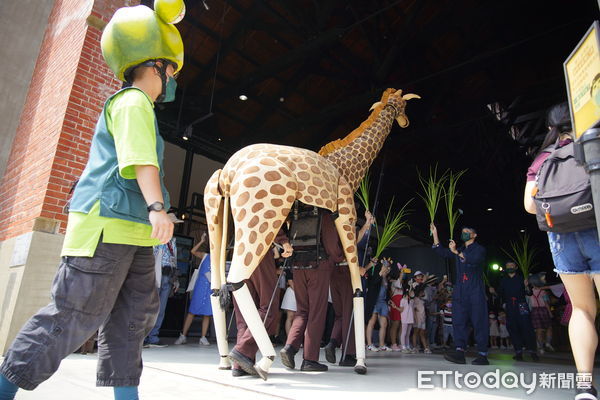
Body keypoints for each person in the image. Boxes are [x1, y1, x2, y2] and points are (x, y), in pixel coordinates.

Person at [0, 3, 185, 399]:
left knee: (131, 324)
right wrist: (157, 208)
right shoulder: (133, 101)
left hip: (134, 235)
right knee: (72, 316)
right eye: (171, 70)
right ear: (154, 66)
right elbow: (140, 162)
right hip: (107, 226)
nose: (172, 80)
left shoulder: (142, 105)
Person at [523, 102, 600, 400]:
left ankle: (584, 386)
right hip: (595, 228)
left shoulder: (543, 159)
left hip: (561, 239)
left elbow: (530, 206)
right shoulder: (591, 143)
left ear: (550, 128)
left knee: (582, 309)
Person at [280, 211, 343, 372]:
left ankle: (290, 347)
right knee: (316, 313)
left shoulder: (297, 213)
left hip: (298, 267)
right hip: (318, 266)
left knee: (302, 311)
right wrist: (337, 258)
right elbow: (331, 244)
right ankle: (309, 359)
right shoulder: (324, 214)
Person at [229, 229, 293, 377]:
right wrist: (283, 240)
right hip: (259, 248)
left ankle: (240, 365)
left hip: (240, 251)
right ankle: (242, 350)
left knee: (245, 311)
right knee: (269, 306)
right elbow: (267, 214)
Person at [430, 223, 489, 365]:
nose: (464, 233)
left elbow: (474, 260)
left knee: (479, 321)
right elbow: (442, 252)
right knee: (459, 321)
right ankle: (459, 351)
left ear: (474, 235)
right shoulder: (460, 248)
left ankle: (482, 354)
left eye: (467, 231)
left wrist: (456, 252)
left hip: (475, 290)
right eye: (463, 231)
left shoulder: (479, 249)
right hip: (460, 290)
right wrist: (435, 234)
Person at [325, 210, 375, 366]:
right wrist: (358, 267)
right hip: (347, 272)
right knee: (350, 315)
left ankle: (332, 343)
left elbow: (354, 240)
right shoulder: (347, 224)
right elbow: (351, 246)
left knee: (340, 315)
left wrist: (367, 223)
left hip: (333, 274)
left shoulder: (333, 227)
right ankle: (348, 354)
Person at [492, 262, 538, 361]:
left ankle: (532, 351)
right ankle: (518, 352)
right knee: (513, 327)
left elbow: (529, 293)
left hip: (522, 305)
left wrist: (526, 286)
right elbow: (499, 295)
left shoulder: (522, 278)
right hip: (510, 306)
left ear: (516, 267)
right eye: (508, 266)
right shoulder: (503, 280)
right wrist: (493, 292)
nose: (510, 267)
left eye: (512, 266)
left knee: (527, 327)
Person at [174, 232, 213, 346]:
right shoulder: (205, 255)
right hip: (200, 286)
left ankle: (203, 337)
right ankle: (183, 335)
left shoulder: (219, 259)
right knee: (192, 311)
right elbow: (193, 251)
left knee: (207, 313)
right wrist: (201, 241)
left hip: (210, 287)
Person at [145, 232, 180, 347]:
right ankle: (144, 336)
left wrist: (176, 279)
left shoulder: (172, 241)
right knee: (150, 306)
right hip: (156, 274)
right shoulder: (155, 237)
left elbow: (174, 260)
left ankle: (153, 336)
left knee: (161, 308)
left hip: (167, 275)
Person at [365, 259, 393, 352]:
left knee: (384, 323)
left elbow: (386, 291)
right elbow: (373, 284)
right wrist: (381, 273)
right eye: (386, 267)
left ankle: (382, 345)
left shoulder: (386, 279)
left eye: (388, 268)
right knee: (372, 322)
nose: (387, 269)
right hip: (374, 301)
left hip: (382, 302)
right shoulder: (375, 274)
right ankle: (369, 344)